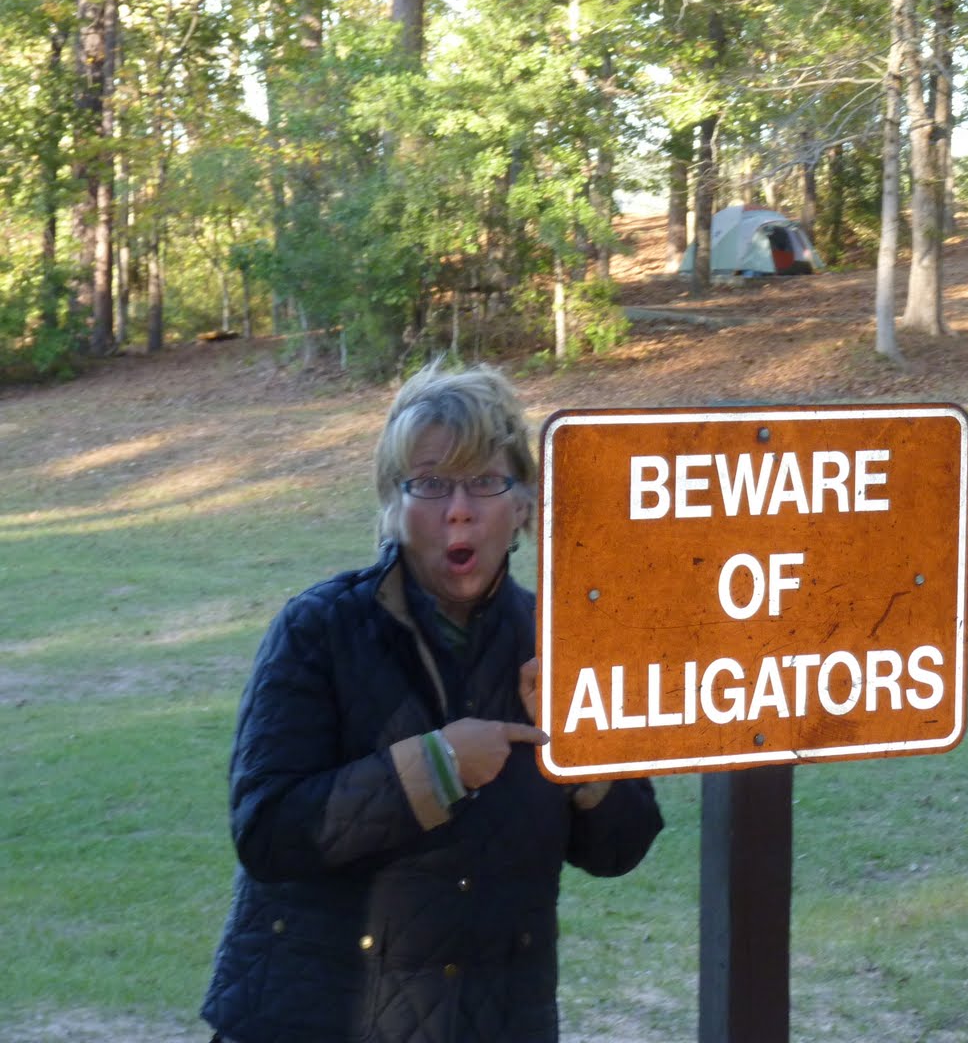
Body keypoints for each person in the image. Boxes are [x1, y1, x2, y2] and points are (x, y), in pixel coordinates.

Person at [202, 360, 663, 1043]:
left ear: (524, 507)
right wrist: (437, 766)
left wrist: (583, 758)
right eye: (430, 483)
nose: (459, 508)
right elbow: (267, 832)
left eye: (485, 481)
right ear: (393, 503)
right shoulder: (318, 629)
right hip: (314, 1019)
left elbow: (621, 846)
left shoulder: (561, 640)